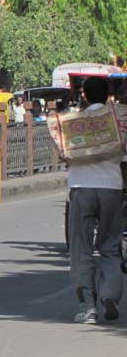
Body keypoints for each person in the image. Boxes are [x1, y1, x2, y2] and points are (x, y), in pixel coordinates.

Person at [68, 77, 124, 324]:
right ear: (107, 96)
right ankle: (110, 294)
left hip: (81, 187)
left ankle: (88, 307)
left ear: (85, 96)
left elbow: (65, 154)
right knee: (110, 246)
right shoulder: (117, 121)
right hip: (112, 186)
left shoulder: (74, 122)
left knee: (81, 248)